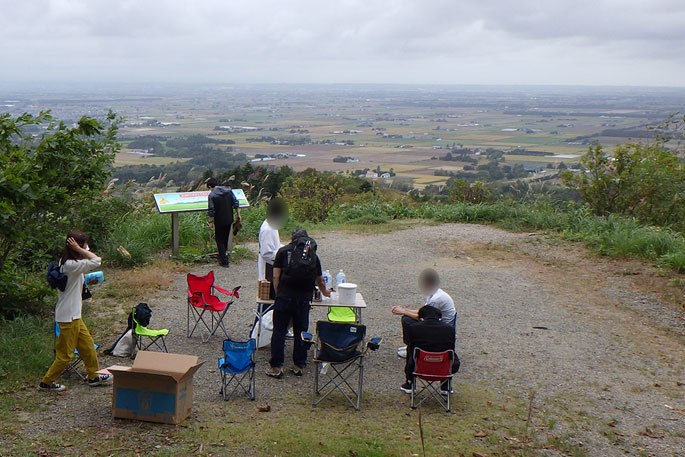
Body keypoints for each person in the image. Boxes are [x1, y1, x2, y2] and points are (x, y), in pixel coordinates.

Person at [40, 233, 112, 392]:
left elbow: (86, 263)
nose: (87, 248)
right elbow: (96, 260)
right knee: (65, 355)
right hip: (67, 318)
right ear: (76, 247)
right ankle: (47, 382)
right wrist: (80, 248)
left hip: (75, 316)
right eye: (84, 245)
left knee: (87, 347)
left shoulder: (69, 262)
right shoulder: (70, 265)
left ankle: (93, 376)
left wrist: (79, 249)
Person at [267, 229, 332, 379]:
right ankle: (298, 365)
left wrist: (278, 294)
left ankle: (276, 367)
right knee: (301, 332)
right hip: (303, 299)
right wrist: (324, 292)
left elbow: (276, 276)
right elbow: (320, 280)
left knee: (279, 331)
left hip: (284, 296)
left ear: (292, 239)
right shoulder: (313, 256)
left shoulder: (283, 252)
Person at [392, 268, 456, 358]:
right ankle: (409, 347)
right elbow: (423, 312)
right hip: (437, 320)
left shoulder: (436, 299)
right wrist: (404, 310)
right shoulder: (434, 293)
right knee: (406, 317)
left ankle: (411, 349)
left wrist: (403, 311)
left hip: (441, 325)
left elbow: (422, 317)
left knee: (407, 321)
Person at [399, 305, 460, 394]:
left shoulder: (414, 328)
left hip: (420, 367)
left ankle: (409, 383)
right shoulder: (449, 329)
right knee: (450, 354)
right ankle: (445, 386)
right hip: (444, 368)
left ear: (422, 318)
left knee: (410, 351)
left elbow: (411, 348)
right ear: (439, 318)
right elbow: (451, 348)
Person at [207, 177, 241, 268]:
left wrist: (210, 222)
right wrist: (238, 215)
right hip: (229, 218)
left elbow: (211, 210)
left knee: (219, 240)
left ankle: (224, 261)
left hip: (219, 220)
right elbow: (236, 203)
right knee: (225, 238)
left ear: (210, 186)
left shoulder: (212, 195)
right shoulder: (228, 191)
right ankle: (224, 256)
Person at [258, 198, 287, 297]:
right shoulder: (268, 229)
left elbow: (275, 246)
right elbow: (266, 253)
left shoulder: (272, 225)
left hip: (272, 265)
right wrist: (284, 253)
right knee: (269, 299)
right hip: (268, 269)